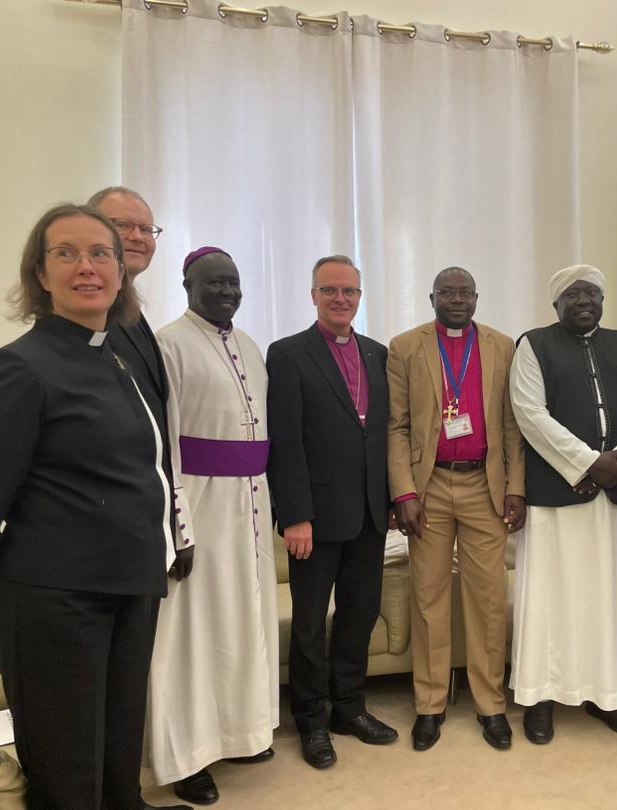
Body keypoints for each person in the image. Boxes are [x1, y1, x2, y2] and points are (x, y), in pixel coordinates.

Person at [0, 204, 186, 810]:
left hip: (130, 590)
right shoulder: (18, 368)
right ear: (40, 274)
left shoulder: (119, 359)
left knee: (118, 753)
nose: (88, 267)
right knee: (69, 772)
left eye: (101, 254)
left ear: (121, 272)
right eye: (67, 254)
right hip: (55, 600)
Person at [145, 248, 279, 805]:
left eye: (233, 282)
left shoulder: (249, 345)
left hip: (251, 501)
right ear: (185, 284)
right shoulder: (167, 343)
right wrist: (177, 526)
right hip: (198, 504)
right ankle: (187, 758)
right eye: (214, 282)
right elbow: (161, 446)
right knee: (191, 634)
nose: (226, 291)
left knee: (246, 620)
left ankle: (242, 732)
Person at [508, 264, 617, 744]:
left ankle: (608, 694)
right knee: (552, 598)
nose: (584, 301)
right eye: (573, 294)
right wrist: (589, 462)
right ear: (556, 303)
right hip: (558, 496)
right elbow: (530, 414)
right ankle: (540, 697)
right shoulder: (533, 344)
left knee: (609, 597)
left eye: (592, 293)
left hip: (615, 495)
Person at [266, 255, 398, 770]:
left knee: (359, 615)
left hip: (368, 514)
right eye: (330, 290)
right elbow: (286, 441)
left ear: (360, 297)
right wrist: (295, 514)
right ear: (314, 294)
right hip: (314, 520)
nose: (340, 299)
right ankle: (312, 720)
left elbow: (383, 433)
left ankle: (349, 707)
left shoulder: (378, 353)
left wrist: (389, 500)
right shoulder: (289, 354)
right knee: (308, 624)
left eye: (350, 291)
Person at [387, 266, 526, 752]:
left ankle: (491, 705)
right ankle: (430, 703)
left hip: (484, 487)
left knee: (488, 599)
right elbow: (397, 427)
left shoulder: (503, 346)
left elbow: (512, 425)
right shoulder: (405, 347)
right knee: (428, 598)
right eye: (447, 291)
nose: (457, 299)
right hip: (429, 491)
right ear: (432, 297)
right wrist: (403, 493)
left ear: (476, 297)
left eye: (465, 291)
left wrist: (516, 487)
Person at [88, 187, 190, 580]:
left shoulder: (133, 314)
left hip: (142, 531)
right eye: (123, 226)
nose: (137, 237)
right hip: (99, 540)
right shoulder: (81, 320)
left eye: (147, 229)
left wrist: (175, 526)